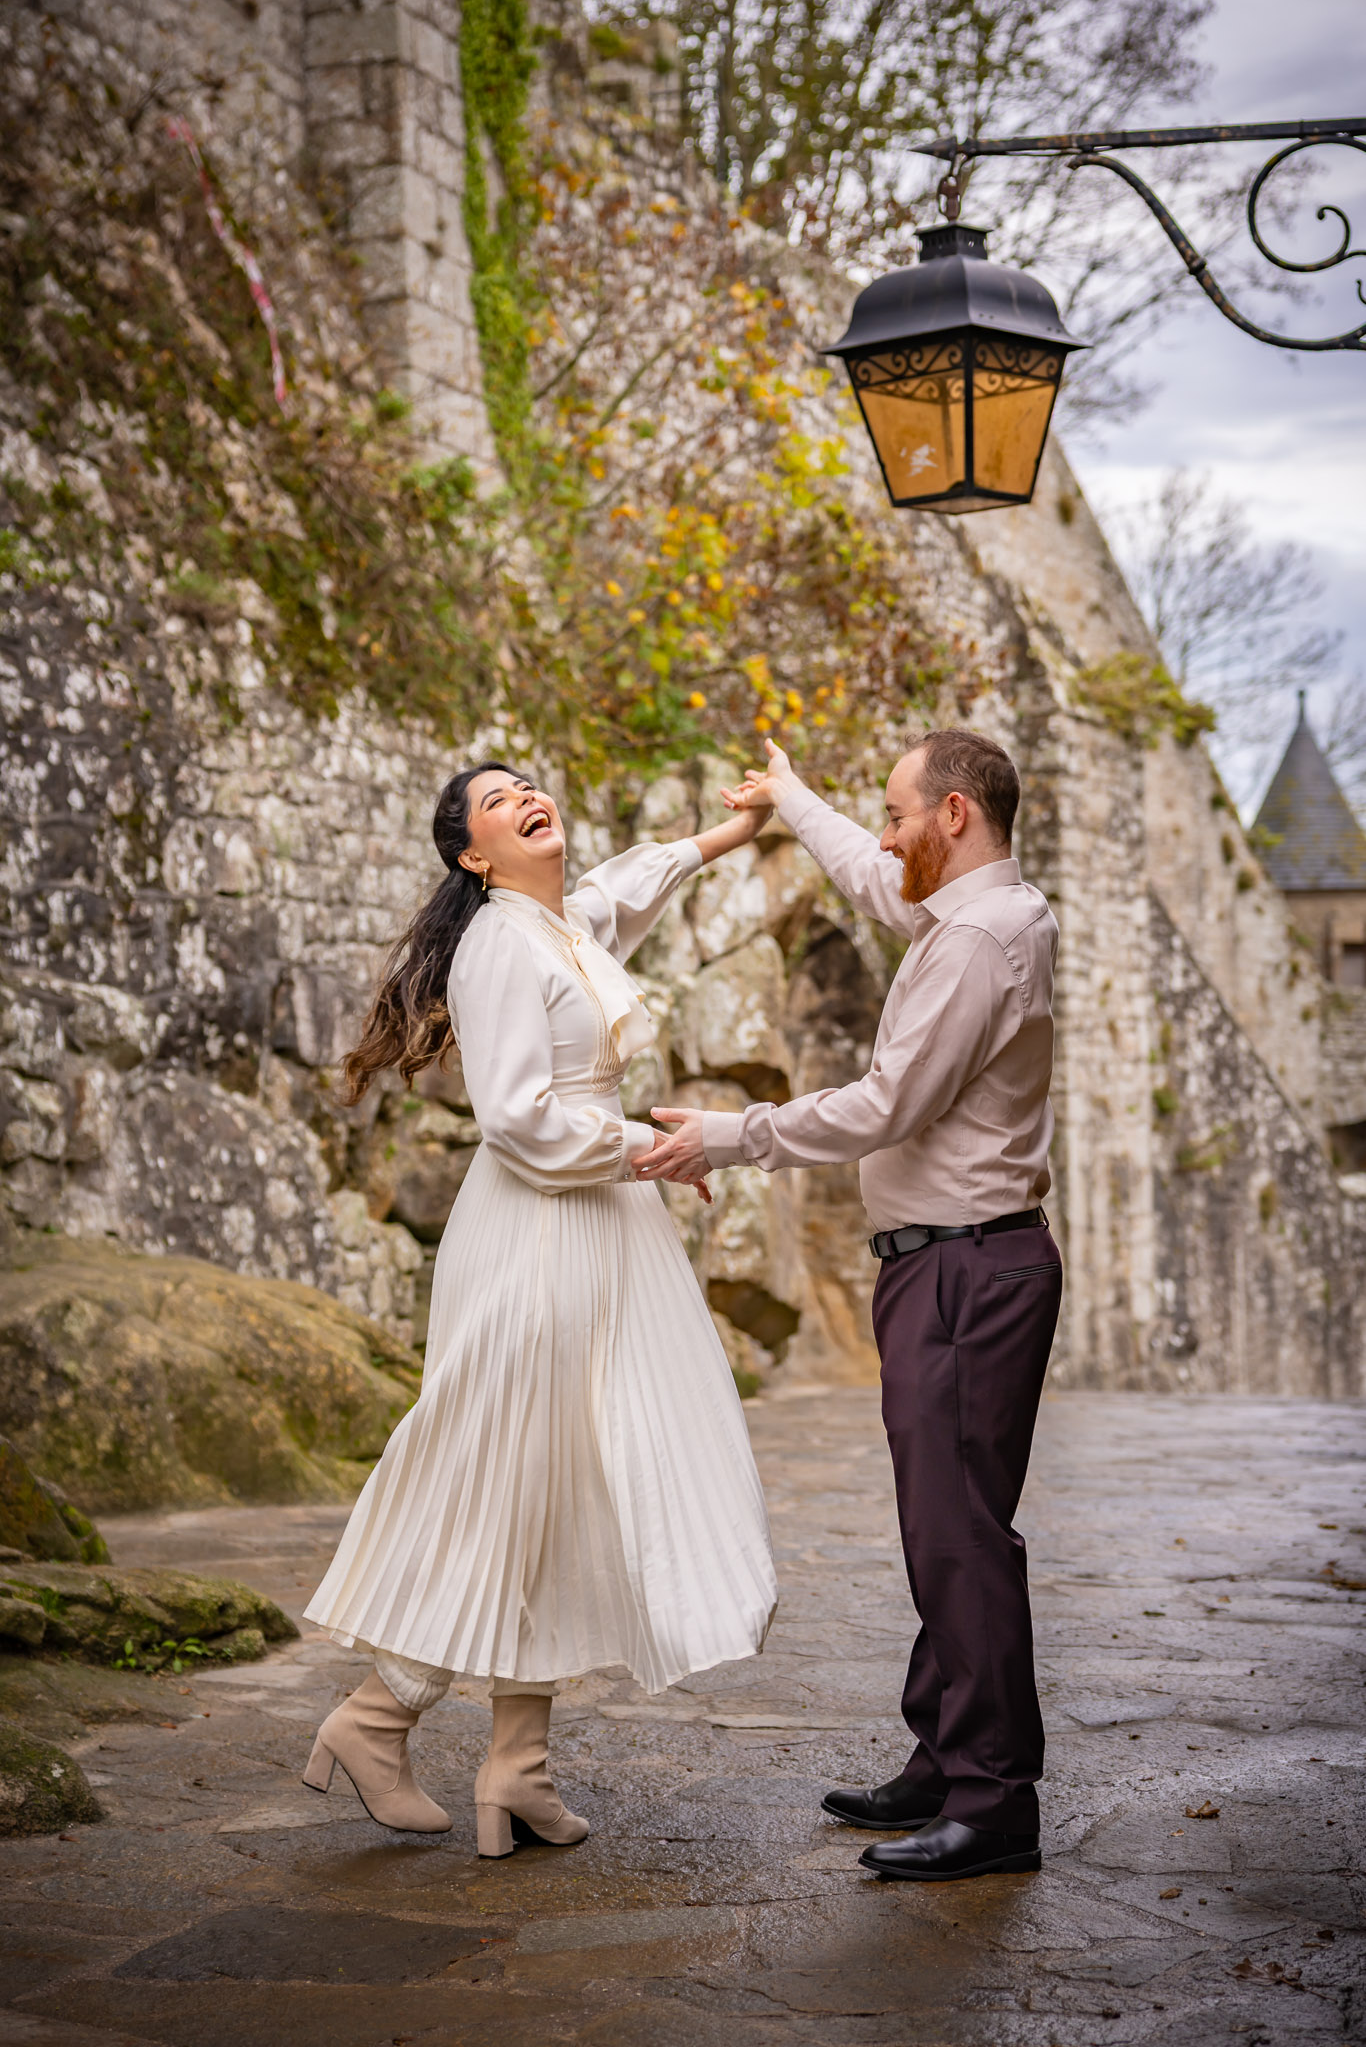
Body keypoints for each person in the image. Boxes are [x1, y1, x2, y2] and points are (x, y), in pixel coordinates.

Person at [302, 764, 778, 1857]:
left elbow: (627, 884)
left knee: (565, 1482)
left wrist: (730, 834)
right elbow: (517, 1119)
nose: (526, 794)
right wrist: (649, 1148)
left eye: (529, 782)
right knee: (505, 1474)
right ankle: (376, 1717)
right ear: (475, 855)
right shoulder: (497, 946)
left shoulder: (564, 927)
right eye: (497, 798)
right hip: (539, 1229)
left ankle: (518, 1764)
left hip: (604, 1228)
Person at [637, 729, 1061, 1883]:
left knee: (959, 1534)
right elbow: (876, 876)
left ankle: (993, 1800)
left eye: (897, 811)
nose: (883, 833)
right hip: (956, 1263)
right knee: (947, 1523)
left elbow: (886, 1103)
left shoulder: (976, 938)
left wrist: (728, 1134)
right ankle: (945, 1756)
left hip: (966, 1270)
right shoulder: (971, 906)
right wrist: (791, 797)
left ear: (956, 814)